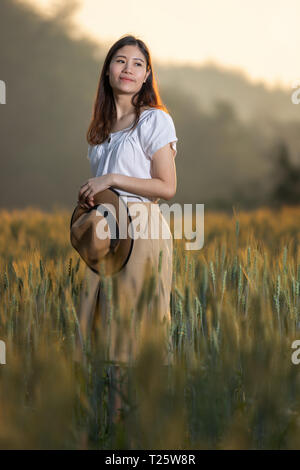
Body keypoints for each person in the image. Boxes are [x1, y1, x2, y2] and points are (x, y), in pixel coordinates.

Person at [76, 34, 178, 421]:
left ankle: (145, 430)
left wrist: (110, 179)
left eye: (137, 64)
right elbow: (105, 186)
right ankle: (114, 429)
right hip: (104, 233)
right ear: (107, 69)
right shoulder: (100, 130)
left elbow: (166, 187)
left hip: (140, 232)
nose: (128, 70)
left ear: (147, 73)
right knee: (105, 329)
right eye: (120, 61)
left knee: (136, 331)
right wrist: (92, 194)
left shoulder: (154, 119)